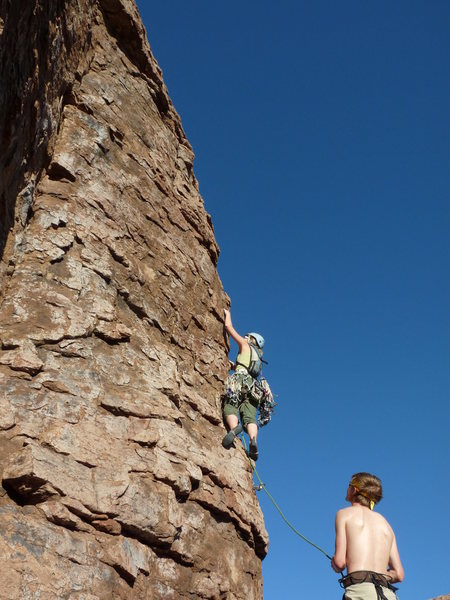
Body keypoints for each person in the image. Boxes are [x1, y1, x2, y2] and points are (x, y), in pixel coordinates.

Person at [331, 472, 404, 600]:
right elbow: (399, 574)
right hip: (387, 595)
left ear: (354, 489)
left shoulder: (344, 514)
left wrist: (335, 564)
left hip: (359, 593)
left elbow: (340, 562)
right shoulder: (386, 525)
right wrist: (376, 575)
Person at [221, 308, 265, 461]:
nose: (245, 337)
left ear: (250, 339)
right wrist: (235, 366)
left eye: (247, 336)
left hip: (240, 380)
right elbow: (247, 368)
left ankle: (234, 430)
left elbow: (229, 328)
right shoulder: (258, 358)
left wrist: (228, 315)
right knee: (250, 416)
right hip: (254, 388)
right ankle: (253, 439)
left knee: (230, 405)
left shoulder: (245, 345)